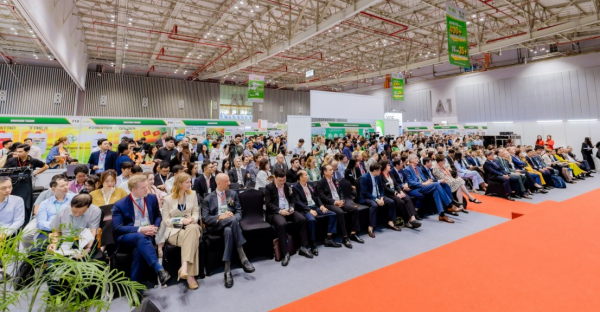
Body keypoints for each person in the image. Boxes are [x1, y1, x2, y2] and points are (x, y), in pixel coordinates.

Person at [112, 175, 170, 284]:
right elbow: (118, 228)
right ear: (133, 190)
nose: (147, 189)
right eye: (143, 188)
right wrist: (140, 229)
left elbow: (158, 216)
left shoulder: (152, 198)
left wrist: (155, 227)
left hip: (148, 234)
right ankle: (159, 269)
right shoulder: (120, 205)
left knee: (139, 251)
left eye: (146, 186)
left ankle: (134, 289)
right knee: (140, 236)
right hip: (128, 237)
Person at [202, 173, 255, 287]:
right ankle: (243, 256)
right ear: (219, 183)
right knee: (231, 222)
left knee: (228, 231)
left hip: (230, 225)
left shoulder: (232, 194)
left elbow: (239, 212)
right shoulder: (208, 198)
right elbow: (205, 219)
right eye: (226, 181)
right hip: (216, 226)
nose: (229, 183)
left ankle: (227, 270)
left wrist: (233, 217)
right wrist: (219, 217)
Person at [160, 173, 202, 289]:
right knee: (192, 239)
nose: (190, 184)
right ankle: (190, 275)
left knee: (193, 228)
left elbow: (196, 212)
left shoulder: (192, 194)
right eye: (187, 182)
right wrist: (182, 220)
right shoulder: (168, 199)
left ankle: (184, 268)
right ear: (179, 184)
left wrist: (192, 219)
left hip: (191, 226)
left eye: (190, 182)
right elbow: (166, 220)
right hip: (174, 231)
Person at [265, 168, 313, 266]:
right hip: (276, 212)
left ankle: (303, 247)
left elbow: (292, 199)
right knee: (282, 224)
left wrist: (291, 207)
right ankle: (285, 253)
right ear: (275, 178)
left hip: (288, 210)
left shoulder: (287, 186)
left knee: (302, 219)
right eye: (280, 180)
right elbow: (268, 203)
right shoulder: (269, 187)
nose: (282, 182)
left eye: (284, 180)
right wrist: (280, 211)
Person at [293, 170, 341, 255]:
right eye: (306, 175)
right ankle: (313, 243)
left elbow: (316, 197)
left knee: (332, 214)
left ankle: (328, 238)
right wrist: (309, 210)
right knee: (312, 220)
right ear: (301, 177)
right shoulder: (296, 187)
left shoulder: (310, 185)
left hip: (315, 206)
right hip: (305, 209)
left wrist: (321, 206)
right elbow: (297, 202)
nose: (308, 176)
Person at [316, 164, 363, 246]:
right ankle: (345, 237)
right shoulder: (320, 183)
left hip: (339, 201)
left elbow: (340, 192)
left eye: (332, 169)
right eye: (330, 170)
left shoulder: (335, 180)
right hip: (329, 203)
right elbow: (322, 197)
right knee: (340, 212)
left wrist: (342, 200)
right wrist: (335, 202)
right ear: (325, 172)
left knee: (354, 210)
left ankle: (353, 233)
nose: (332, 171)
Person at [404, 154, 461, 222]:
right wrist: (423, 183)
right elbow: (410, 182)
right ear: (411, 160)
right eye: (416, 158)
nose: (417, 159)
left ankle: (442, 215)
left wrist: (428, 181)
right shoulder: (407, 169)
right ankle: (449, 205)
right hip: (416, 188)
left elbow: (424, 178)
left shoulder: (418, 168)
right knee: (437, 185)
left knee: (436, 191)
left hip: (424, 186)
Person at [47, 193, 101, 260]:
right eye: (74, 212)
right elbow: (56, 231)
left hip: (85, 241)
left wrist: (88, 249)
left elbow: (92, 232)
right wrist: (54, 243)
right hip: (66, 240)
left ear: (88, 207)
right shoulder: (63, 211)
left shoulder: (95, 211)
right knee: (54, 262)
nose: (77, 214)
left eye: (82, 212)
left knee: (83, 262)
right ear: (70, 205)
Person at [359, 162, 401, 238]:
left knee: (391, 202)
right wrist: (376, 199)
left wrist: (381, 197)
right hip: (367, 197)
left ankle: (391, 222)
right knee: (374, 205)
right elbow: (365, 193)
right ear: (375, 170)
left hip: (378, 196)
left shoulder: (378, 177)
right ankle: (370, 227)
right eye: (379, 170)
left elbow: (382, 189)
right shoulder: (365, 178)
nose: (380, 172)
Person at [379, 161, 423, 228]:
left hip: (395, 190)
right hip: (388, 193)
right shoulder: (380, 175)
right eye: (388, 165)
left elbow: (396, 184)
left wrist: (401, 191)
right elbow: (385, 188)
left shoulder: (390, 173)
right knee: (400, 202)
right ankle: (408, 220)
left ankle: (413, 218)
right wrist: (396, 193)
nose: (390, 166)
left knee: (407, 198)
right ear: (384, 166)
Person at [36, 175, 75, 242]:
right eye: (62, 186)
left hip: (70, 230)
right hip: (50, 230)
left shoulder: (75, 198)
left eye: (66, 184)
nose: (66, 187)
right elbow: (40, 223)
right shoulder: (45, 203)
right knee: (38, 248)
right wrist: (57, 227)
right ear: (53, 189)